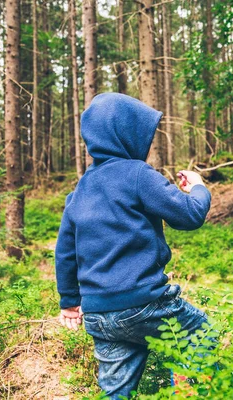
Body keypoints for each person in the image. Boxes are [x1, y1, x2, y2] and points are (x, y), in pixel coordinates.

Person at [54, 93, 212, 399]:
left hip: (99, 315)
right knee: (198, 334)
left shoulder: (81, 188)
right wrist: (198, 187)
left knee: (116, 393)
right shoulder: (137, 175)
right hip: (145, 304)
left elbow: (65, 252)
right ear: (126, 135)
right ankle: (187, 394)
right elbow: (190, 215)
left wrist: (69, 301)